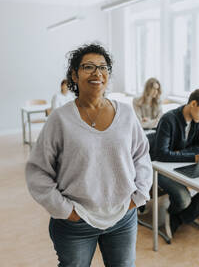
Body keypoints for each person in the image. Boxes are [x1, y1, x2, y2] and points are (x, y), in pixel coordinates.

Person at [25, 43, 153, 267]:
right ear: (74, 75)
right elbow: (37, 171)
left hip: (122, 216)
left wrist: (139, 195)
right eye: (88, 67)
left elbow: (141, 156)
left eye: (103, 67)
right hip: (76, 222)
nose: (97, 73)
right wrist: (66, 210)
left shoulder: (126, 113)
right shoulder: (60, 119)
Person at [153, 88, 199, 239]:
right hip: (161, 168)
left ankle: (178, 218)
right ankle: (174, 212)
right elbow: (162, 154)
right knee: (184, 199)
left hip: (181, 164)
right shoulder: (168, 119)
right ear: (193, 104)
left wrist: (179, 153)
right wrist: (193, 156)